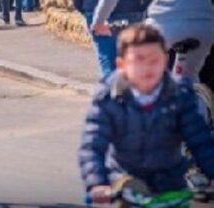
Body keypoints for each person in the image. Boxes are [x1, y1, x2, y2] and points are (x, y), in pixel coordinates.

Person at [79, 24, 214, 201]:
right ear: (122, 65)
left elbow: (200, 141)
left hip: (170, 184)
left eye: (154, 60)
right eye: (139, 60)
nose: (147, 68)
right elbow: (92, 145)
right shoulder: (109, 98)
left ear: (165, 61)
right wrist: (97, 182)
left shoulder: (179, 95)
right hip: (126, 183)